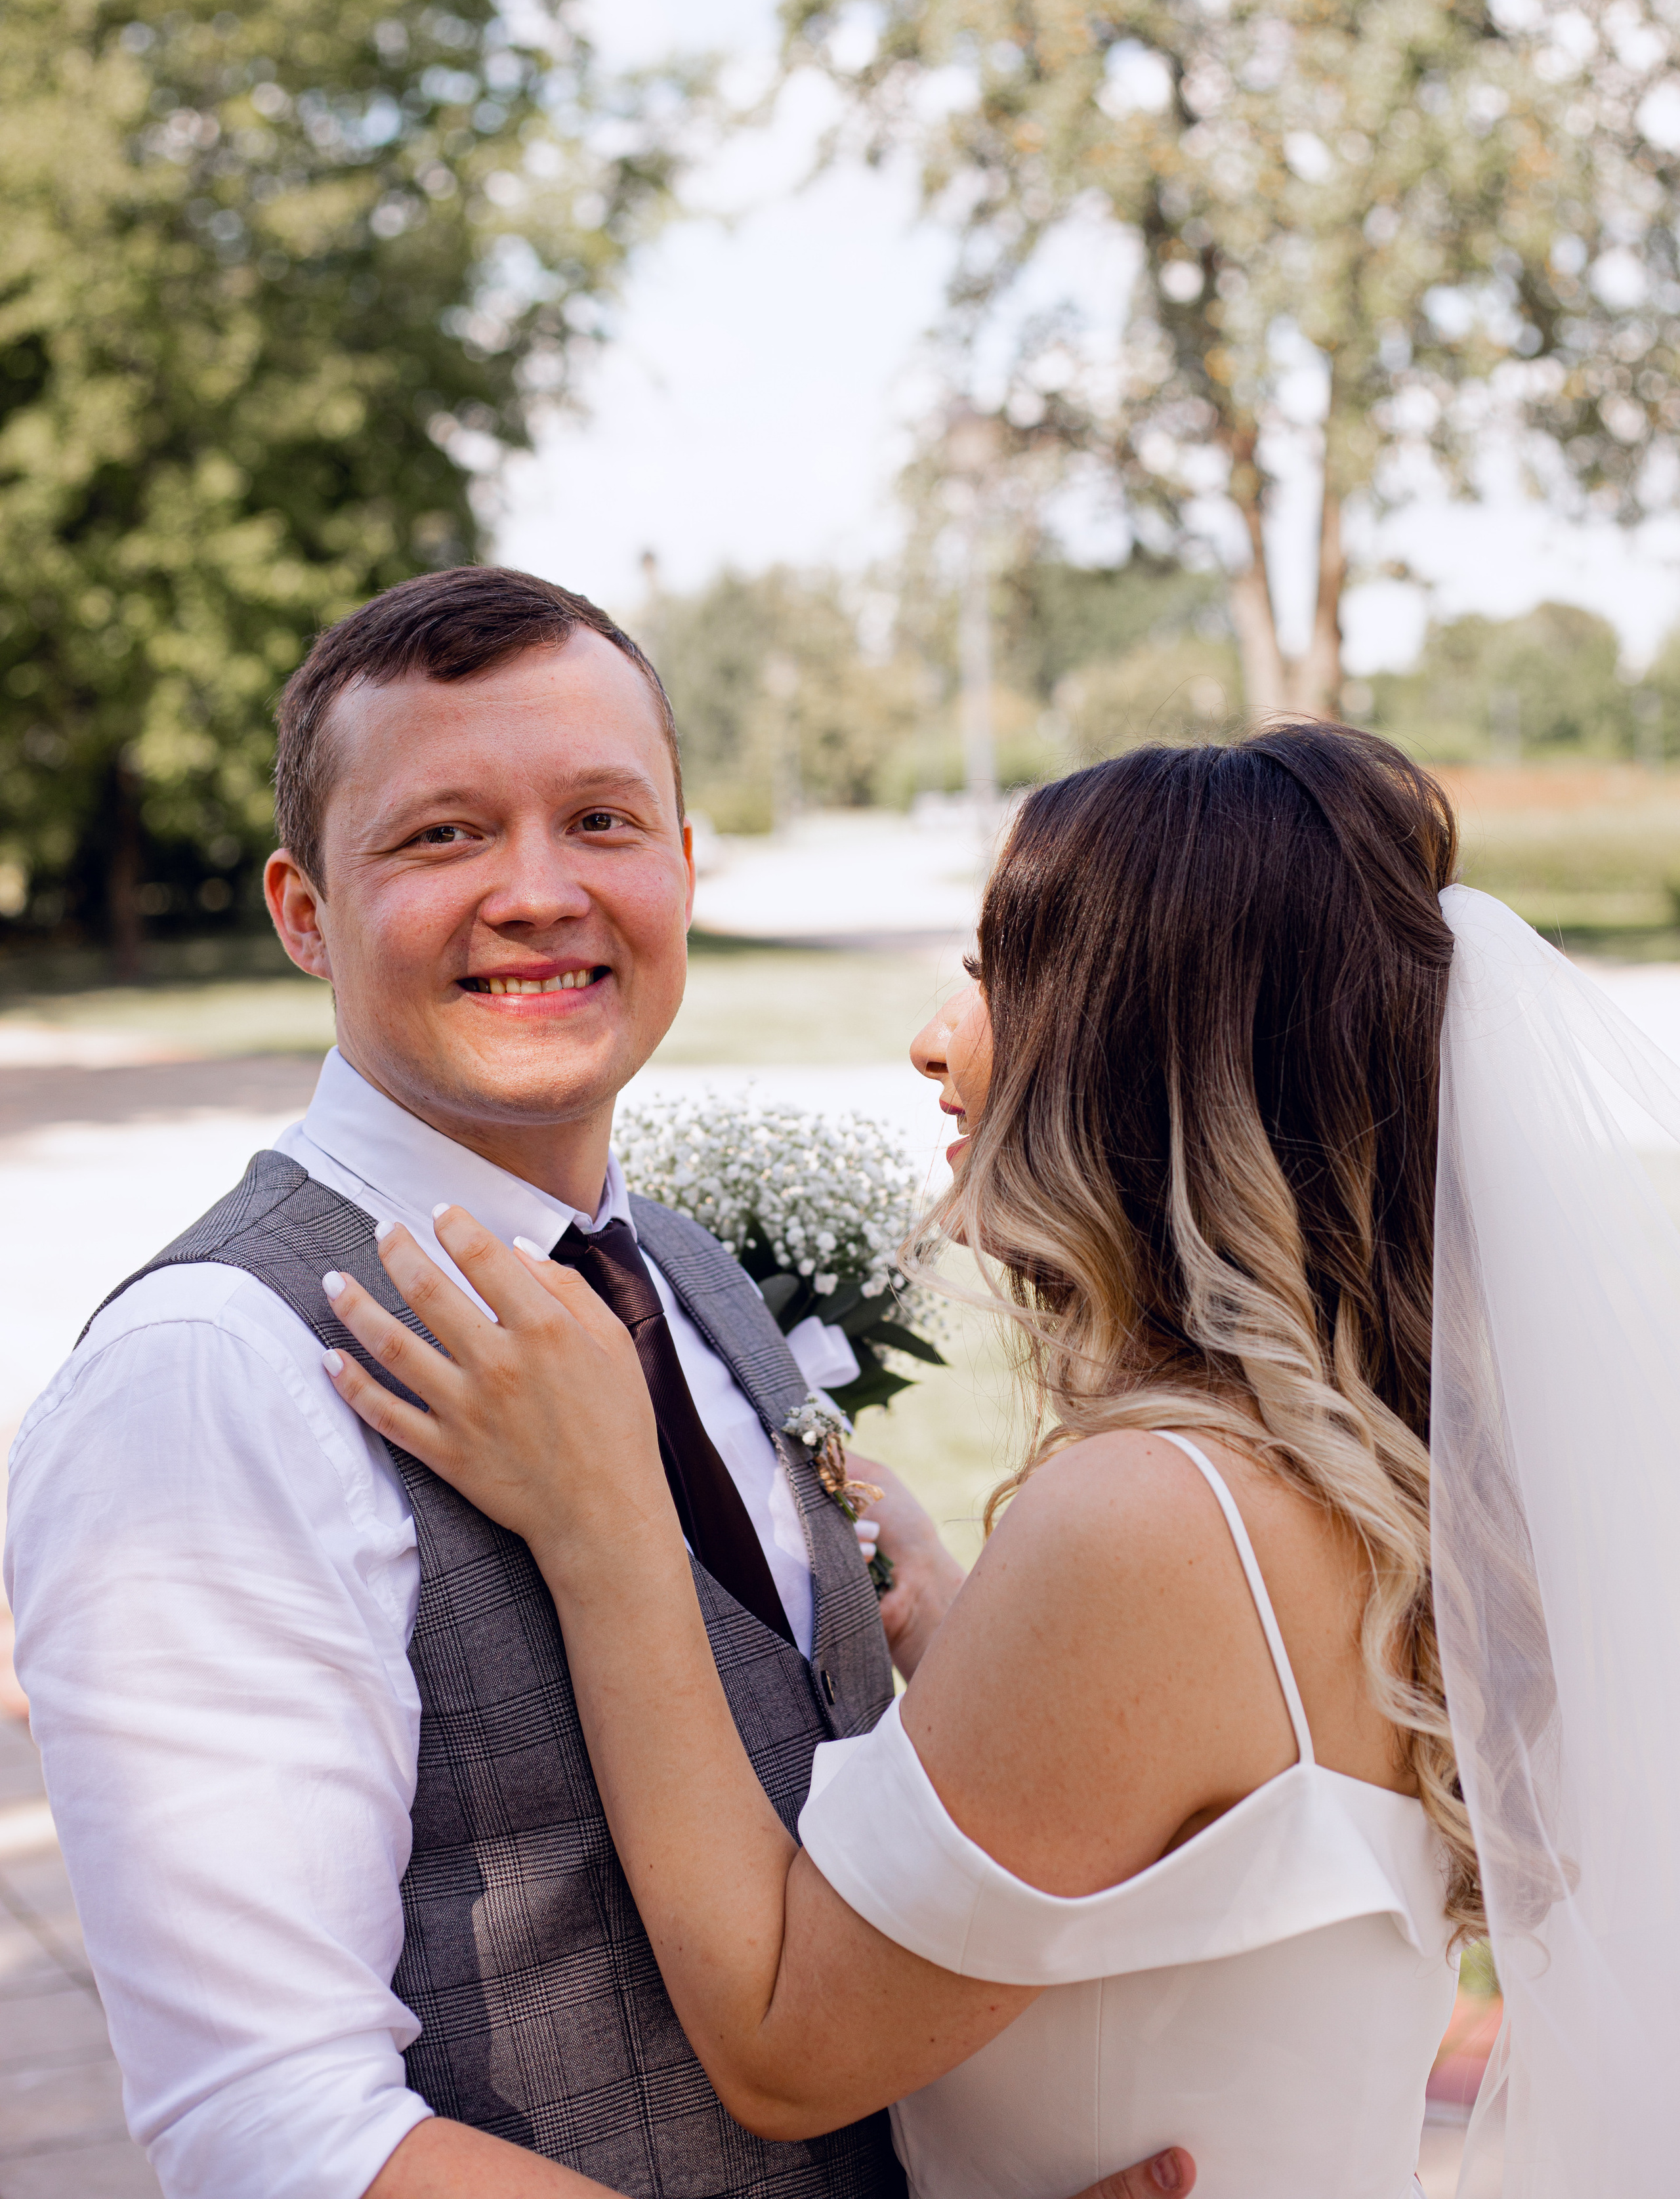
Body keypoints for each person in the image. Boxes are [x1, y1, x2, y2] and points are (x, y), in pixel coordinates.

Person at [4, 568, 1189, 2199]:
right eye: (442, 836)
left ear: (682, 867)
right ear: (302, 910)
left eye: (601, 821)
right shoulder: (207, 1380)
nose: (537, 892)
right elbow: (275, 2129)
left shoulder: (683, 1274)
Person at [317, 726, 1482, 2199]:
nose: (936, 1037)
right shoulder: (1365, 1470)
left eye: (999, 975)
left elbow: (783, 2045)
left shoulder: (1152, 1516)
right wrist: (954, 1620)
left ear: (1143, 1056)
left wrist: (606, 1522)